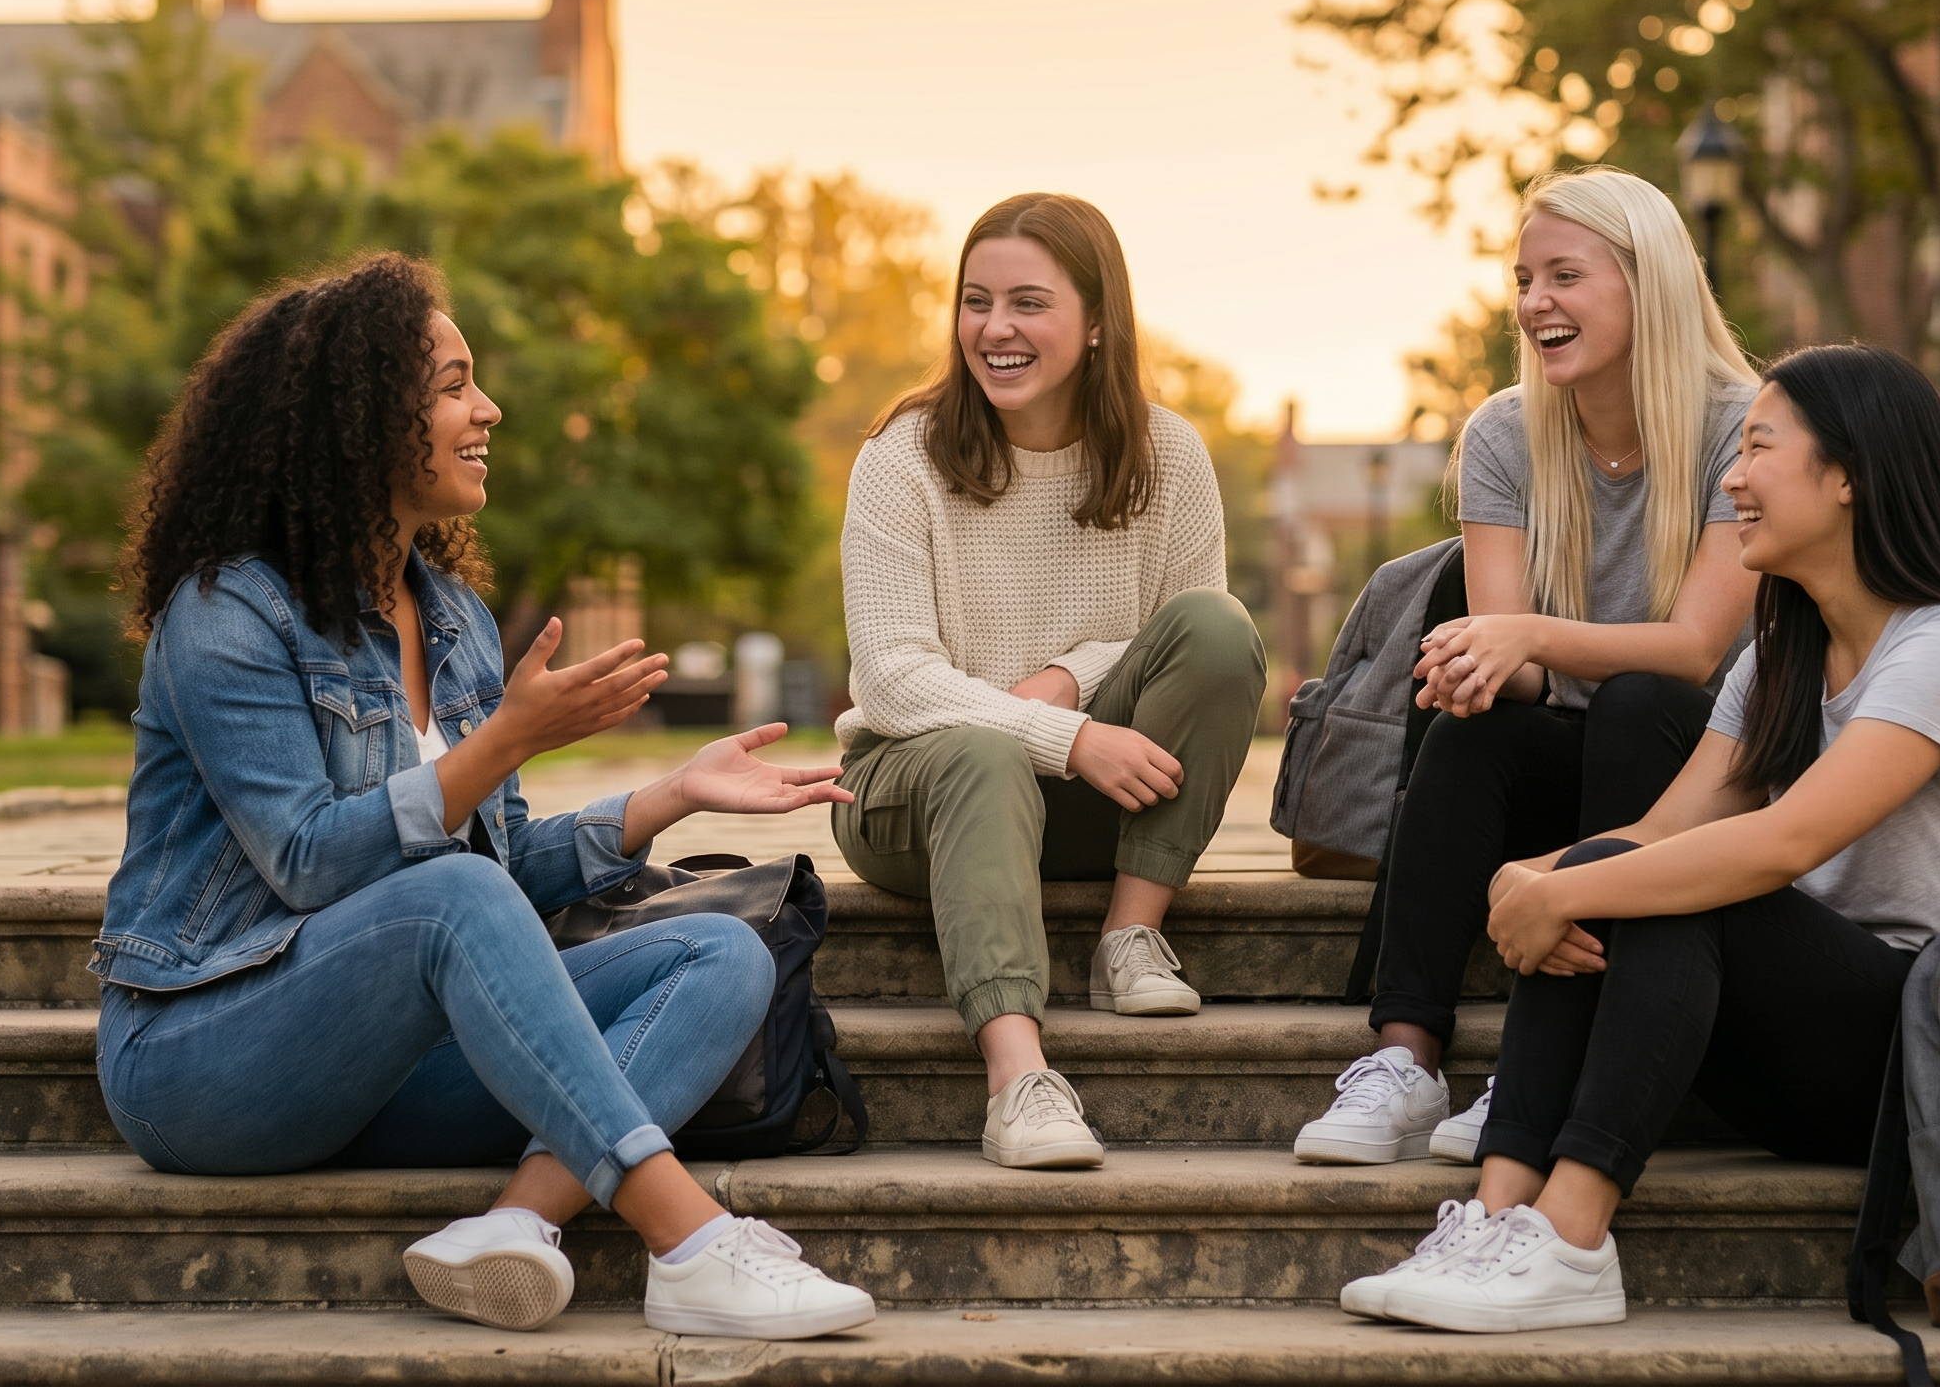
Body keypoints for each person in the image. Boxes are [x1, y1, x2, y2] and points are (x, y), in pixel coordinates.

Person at [95, 253, 876, 1341]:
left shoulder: (453, 618)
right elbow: (311, 861)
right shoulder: (229, 612)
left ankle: (511, 1226)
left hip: (385, 1068)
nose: (488, 408)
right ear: (361, 419)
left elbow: (501, 881)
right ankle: (690, 1243)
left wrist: (664, 800)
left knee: (724, 953)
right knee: (450, 896)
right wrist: (505, 738)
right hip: (207, 1060)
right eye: (456, 384)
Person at [1339, 343, 1940, 1333]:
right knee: (1621, 870)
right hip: (1821, 1069)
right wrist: (1526, 880)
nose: (1730, 477)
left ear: (1850, 473)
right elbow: (1658, 830)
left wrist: (1572, 886)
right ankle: (1495, 1214)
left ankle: (1570, 1237)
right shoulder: (1779, 655)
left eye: (1759, 446)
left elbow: (1778, 846)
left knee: (1662, 889)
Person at [1294, 166, 1761, 1168]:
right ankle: (1404, 1058)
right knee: (1472, 726)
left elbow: (1697, 651)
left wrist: (1530, 641)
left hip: (1703, 768)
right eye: (1523, 280)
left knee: (1642, 702)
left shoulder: (1742, 427)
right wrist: (1473, 665)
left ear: (1649, 284)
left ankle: (1538, 1065)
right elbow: (1514, 657)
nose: (1534, 302)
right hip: (1572, 744)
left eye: (1564, 276)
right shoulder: (1504, 433)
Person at [829, 192, 1269, 1171]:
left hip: (1081, 806)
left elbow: (1179, 645)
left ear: (1098, 318)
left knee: (1217, 626)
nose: (995, 329)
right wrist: (1063, 737)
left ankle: (1130, 937)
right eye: (975, 301)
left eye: (1028, 302)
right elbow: (895, 681)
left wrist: (1070, 679)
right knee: (983, 753)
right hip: (907, 796)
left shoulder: (1169, 456)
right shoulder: (900, 458)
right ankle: (1018, 1078)